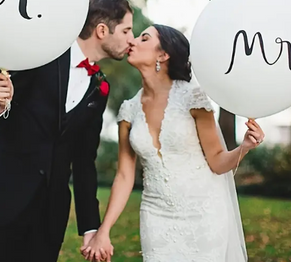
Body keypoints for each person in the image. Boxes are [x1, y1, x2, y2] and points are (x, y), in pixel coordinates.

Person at [0, 0, 134, 262]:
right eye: (126, 30)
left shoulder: (99, 88)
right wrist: (1, 104)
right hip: (0, 198)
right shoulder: (42, 53)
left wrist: (91, 228)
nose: (131, 39)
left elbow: (85, 161)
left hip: (48, 216)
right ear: (101, 30)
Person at [82, 24, 265, 262]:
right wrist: (103, 231)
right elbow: (124, 177)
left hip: (204, 214)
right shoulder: (129, 110)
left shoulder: (193, 98)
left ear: (163, 54)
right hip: (155, 216)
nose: (133, 42)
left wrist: (245, 147)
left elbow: (218, 162)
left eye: (144, 38)